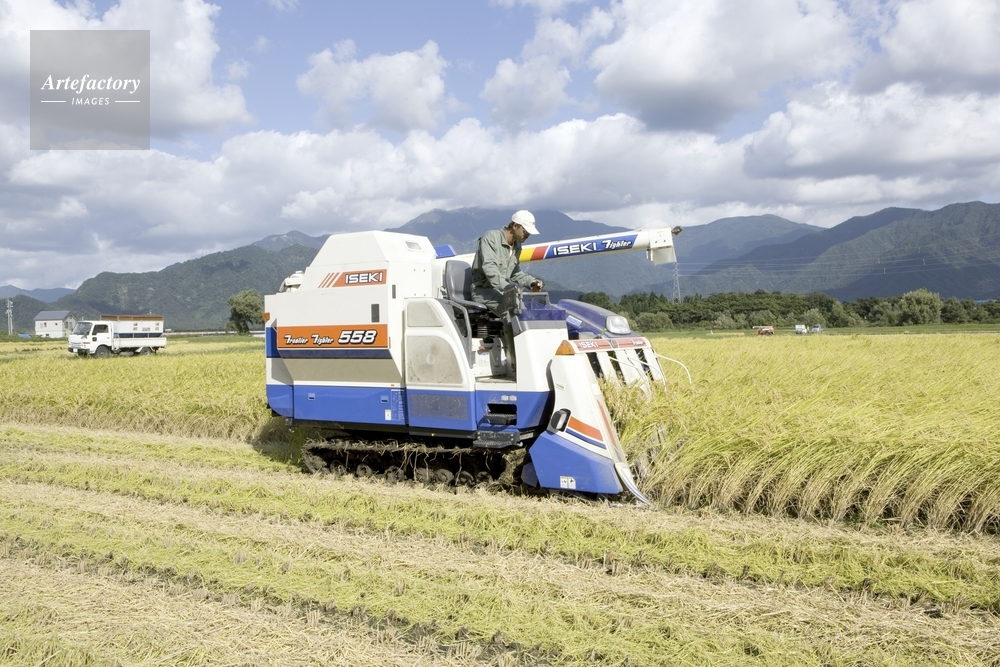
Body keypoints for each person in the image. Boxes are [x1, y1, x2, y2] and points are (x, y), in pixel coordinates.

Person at [470, 210, 544, 373]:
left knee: (523, 311)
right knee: (511, 311)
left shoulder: (517, 246)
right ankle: (518, 365)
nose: (527, 235)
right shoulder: (490, 238)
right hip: (483, 290)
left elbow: (515, 272)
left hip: (502, 290)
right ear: (515, 226)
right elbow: (489, 268)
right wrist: (507, 287)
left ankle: (530, 357)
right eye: (525, 230)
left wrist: (531, 281)